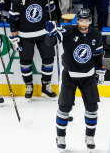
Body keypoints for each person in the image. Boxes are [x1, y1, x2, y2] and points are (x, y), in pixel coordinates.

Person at [45, 8, 105, 152]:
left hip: (88, 77)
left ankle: (90, 137)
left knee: (92, 108)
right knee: (64, 108)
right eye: (81, 21)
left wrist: (99, 70)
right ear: (77, 20)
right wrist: (51, 33)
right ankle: (60, 137)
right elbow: (51, 42)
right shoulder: (68, 31)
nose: (83, 24)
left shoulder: (96, 34)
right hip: (69, 76)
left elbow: (97, 54)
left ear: (90, 21)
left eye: (86, 21)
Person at [8, 0, 58, 100]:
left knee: (48, 59)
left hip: (43, 34)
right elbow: (13, 20)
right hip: (25, 36)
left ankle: (46, 86)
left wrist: (53, 25)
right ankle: (29, 86)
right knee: (25, 62)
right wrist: (14, 37)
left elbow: (52, 10)